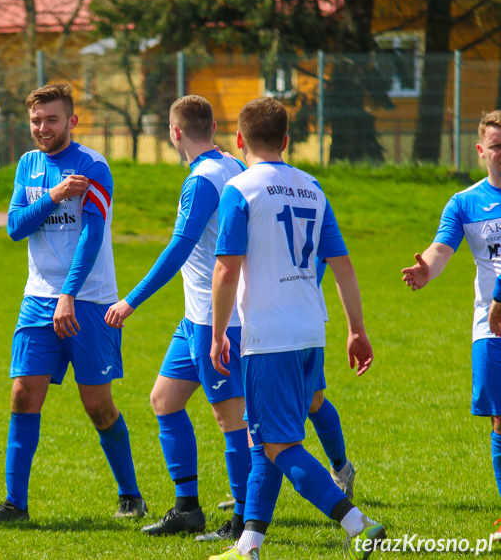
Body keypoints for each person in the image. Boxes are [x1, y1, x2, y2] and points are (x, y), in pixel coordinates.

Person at [208, 97, 385, 560]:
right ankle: (249, 543)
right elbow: (341, 264)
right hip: (311, 328)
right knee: (262, 438)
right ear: (287, 141)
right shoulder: (312, 187)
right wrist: (356, 329)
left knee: (280, 444)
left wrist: (218, 332)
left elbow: (227, 269)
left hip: (268, 335)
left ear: (240, 140)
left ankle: (356, 522)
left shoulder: (240, 189)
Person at [0, 83, 145, 522]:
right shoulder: (29, 165)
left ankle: (131, 495)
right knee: (22, 395)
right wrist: (53, 196)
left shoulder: (93, 165)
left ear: (72, 121)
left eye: (52, 119)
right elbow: (14, 227)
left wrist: (68, 293)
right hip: (37, 300)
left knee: (98, 406)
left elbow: (92, 235)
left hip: (88, 300)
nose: (43, 128)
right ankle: (15, 504)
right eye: (36, 120)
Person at [105, 95, 248, 538]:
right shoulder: (234, 167)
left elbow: (179, 248)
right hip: (195, 318)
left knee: (231, 419)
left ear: (174, 132)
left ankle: (243, 520)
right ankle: (187, 508)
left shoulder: (202, 180)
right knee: (164, 401)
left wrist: (131, 300)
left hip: (216, 320)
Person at [403, 109, 501, 542]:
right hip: (491, 328)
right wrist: (427, 268)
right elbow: (443, 247)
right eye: (496, 145)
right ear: (481, 151)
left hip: (497, 310)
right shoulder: (464, 202)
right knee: (500, 421)